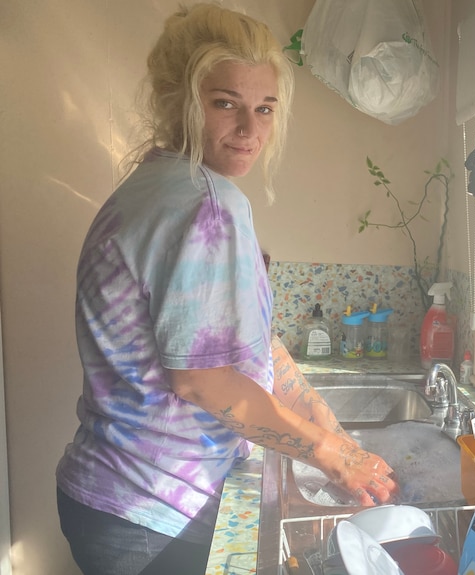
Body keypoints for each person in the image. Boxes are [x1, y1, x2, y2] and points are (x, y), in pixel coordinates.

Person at [55, 5, 398, 575]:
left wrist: (332, 431)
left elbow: (254, 350)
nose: (250, 129)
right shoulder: (206, 203)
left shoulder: (151, 186)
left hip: (115, 496)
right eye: (225, 104)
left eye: (264, 108)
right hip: (152, 511)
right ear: (178, 101)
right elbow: (201, 381)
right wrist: (330, 454)